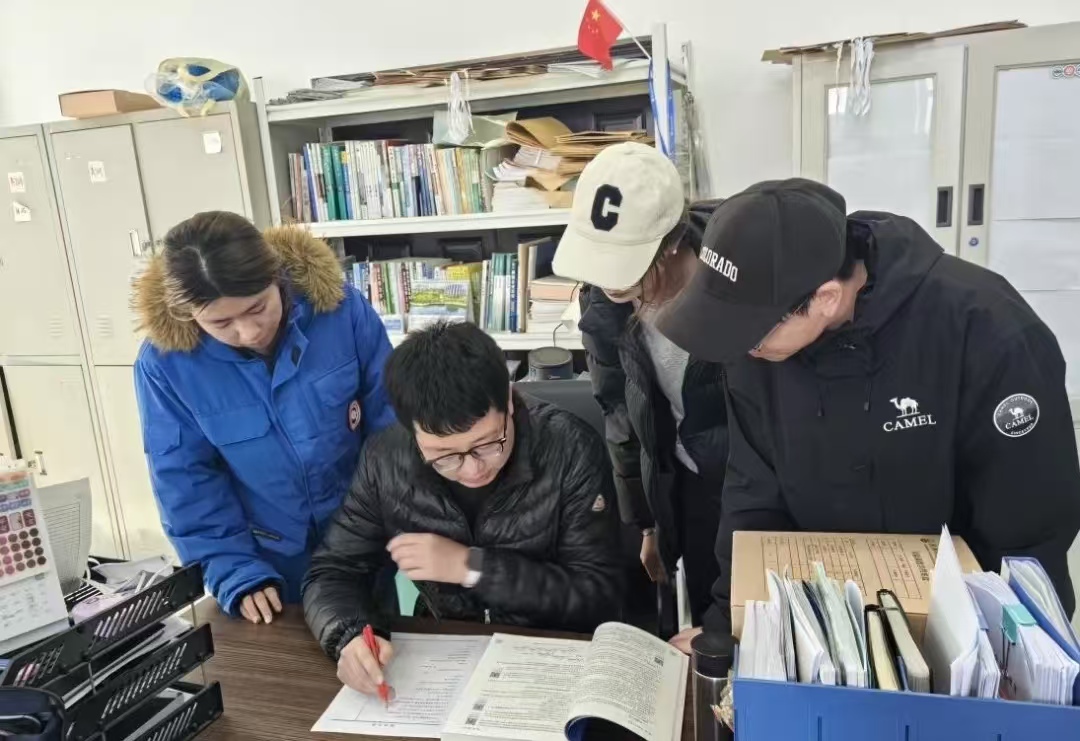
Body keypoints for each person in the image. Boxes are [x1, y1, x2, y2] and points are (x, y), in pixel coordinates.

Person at [654, 178, 1080, 644]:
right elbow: (752, 497)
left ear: (826, 298)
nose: (744, 349)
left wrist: (1005, 653)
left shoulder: (990, 332)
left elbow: (1028, 533)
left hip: (960, 631)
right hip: (824, 631)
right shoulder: (759, 350)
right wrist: (727, 627)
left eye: (752, 334)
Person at [303, 322, 623, 695]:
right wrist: (348, 635)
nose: (473, 470)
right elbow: (334, 570)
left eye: (487, 444)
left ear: (509, 401)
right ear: (412, 432)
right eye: (445, 455)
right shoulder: (385, 461)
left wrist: (471, 568)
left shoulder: (571, 449)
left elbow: (599, 596)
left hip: (552, 658)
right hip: (446, 655)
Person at [133, 211, 395, 624]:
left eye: (258, 307)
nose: (249, 331)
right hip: (267, 569)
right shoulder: (166, 366)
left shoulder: (339, 312)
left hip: (365, 545)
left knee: (382, 651)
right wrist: (234, 570)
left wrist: (396, 523)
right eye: (221, 322)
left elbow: (392, 423)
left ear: (278, 277)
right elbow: (185, 480)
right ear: (188, 314)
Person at [551, 142, 727, 627]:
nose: (608, 280)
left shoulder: (733, 286)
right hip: (683, 486)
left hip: (751, 486)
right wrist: (647, 525)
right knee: (699, 623)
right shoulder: (603, 306)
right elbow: (621, 416)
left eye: (623, 259)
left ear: (671, 242)